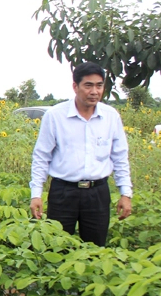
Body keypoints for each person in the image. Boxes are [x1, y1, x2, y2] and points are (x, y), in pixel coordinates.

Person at [30, 61, 133, 246]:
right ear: (75, 87)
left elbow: (120, 157)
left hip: (97, 193)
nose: (94, 91)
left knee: (95, 249)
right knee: (56, 247)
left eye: (99, 85)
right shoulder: (55, 116)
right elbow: (41, 157)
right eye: (88, 85)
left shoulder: (111, 117)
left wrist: (126, 193)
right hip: (63, 192)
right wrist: (36, 194)